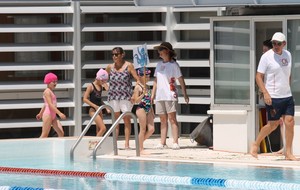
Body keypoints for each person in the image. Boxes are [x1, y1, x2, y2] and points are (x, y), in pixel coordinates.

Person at [250, 32, 297, 161]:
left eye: (278, 44)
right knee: (273, 125)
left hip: (287, 95)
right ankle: (256, 143)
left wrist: (288, 87)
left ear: (284, 44)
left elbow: (288, 74)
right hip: (273, 96)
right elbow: (258, 76)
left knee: (290, 123)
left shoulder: (288, 55)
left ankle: (288, 153)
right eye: (274, 43)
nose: (275, 46)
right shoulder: (266, 57)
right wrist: (265, 92)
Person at [152, 42, 189, 150]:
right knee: (162, 119)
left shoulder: (174, 65)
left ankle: (175, 142)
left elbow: (181, 79)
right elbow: (156, 80)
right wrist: (153, 94)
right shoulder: (158, 65)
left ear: (167, 51)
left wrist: (185, 94)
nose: (159, 53)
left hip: (170, 95)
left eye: (161, 50)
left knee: (172, 119)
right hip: (160, 96)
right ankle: (162, 142)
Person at [106, 47, 141, 149]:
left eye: (116, 54)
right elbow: (100, 78)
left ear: (122, 54)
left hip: (126, 96)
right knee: (116, 120)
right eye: (113, 54)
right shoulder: (109, 67)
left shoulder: (128, 65)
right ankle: (114, 144)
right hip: (113, 96)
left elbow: (137, 79)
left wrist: (135, 93)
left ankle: (126, 144)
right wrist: (106, 87)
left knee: (126, 119)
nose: (114, 56)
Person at [131, 67, 155, 154]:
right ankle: (141, 148)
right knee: (143, 129)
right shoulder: (138, 87)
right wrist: (142, 94)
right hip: (141, 108)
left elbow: (150, 100)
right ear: (140, 76)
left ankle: (138, 143)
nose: (148, 77)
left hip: (148, 108)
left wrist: (152, 111)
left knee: (151, 129)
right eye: (146, 76)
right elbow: (135, 101)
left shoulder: (148, 86)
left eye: (148, 76)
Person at [36, 72, 66, 138]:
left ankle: (59, 148)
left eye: (56, 81)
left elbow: (45, 104)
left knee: (61, 133)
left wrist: (40, 113)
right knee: (44, 135)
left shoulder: (51, 91)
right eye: (53, 82)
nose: (55, 83)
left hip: (53, 115)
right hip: (48, 114)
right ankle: (37, 147)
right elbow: (49, 104)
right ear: (48, 82)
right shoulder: (47, 91)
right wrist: (60, 113)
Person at [83, 69, 109, 137]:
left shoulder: (100, 87)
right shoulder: (90, 86)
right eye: (103, 81)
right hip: (93, 110)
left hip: (99, 110)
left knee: (99, 130)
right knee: (103, 128)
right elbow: (85, 99)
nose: (104, 83)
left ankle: (98, 146)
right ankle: (95, 145)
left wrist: (106, 107)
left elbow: (99, 100)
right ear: (98, 79)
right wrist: (94, 106)